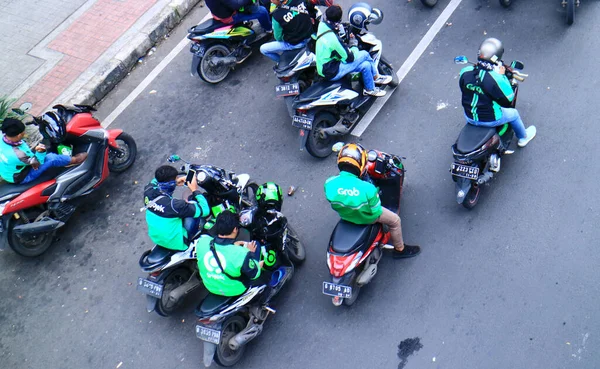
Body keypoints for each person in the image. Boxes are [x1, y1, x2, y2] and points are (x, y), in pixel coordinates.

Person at [324, 143, 420, 258]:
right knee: (395, 221)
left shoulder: (329, 183)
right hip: (368, 218)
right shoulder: (368, 189)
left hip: (346, 215)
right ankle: (400, 249)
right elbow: (376, 212)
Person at [459, 37, 536, 147]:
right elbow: (508, 98)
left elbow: (463, 89)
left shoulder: (465, 72)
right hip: (491, 119)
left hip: (469, 116)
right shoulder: (495, 78)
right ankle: (523, 137)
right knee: (514, 114)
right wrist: (502, 76)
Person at [315, 4, 391, 97]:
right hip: (331, 70)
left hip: (324, 66)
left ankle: (369, 89)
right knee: (365, 54)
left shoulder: (322, 26)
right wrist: (353, 44)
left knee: (366, 65)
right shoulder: (333, 40)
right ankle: (376, 76)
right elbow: (350, 58)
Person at [196, 210, 268, 297]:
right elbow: (254, 274)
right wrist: (251, 254)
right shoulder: (241, 254)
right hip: (234, 289)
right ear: (234, 229)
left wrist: (233, 245)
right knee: (256, 245)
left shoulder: (202, 242)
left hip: (211, 286)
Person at [0, 118, 87, 184]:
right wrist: (41, 152)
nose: (24, 133)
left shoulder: (2, 137)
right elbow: (38, 163)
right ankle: (74, 160)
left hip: (8, 170)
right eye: (23, 132)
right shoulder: (18, 154)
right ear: (19, 135)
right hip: (21, 176)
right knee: (51, 158)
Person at [144, 165, 210, 251]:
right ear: (171, 184)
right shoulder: (175, 205)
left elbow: (155, 180)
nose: (177, 179)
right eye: (176, 179)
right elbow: (205, 210)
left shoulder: (148, 190)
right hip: (179, 243)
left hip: (157, 238)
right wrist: (195, 190)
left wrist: (175, 181)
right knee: (193, 203)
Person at [259, 0, 331, 63]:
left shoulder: (276, 15)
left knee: (263, 49)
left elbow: (278, 37)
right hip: (311, 34)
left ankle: (284, 63)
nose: (271, 1)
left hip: (297, 43)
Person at [205, 0, 272, 32]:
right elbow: (236, 5)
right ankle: (268, 29)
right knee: (262, 11)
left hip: (220, 13)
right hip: (230, 17)